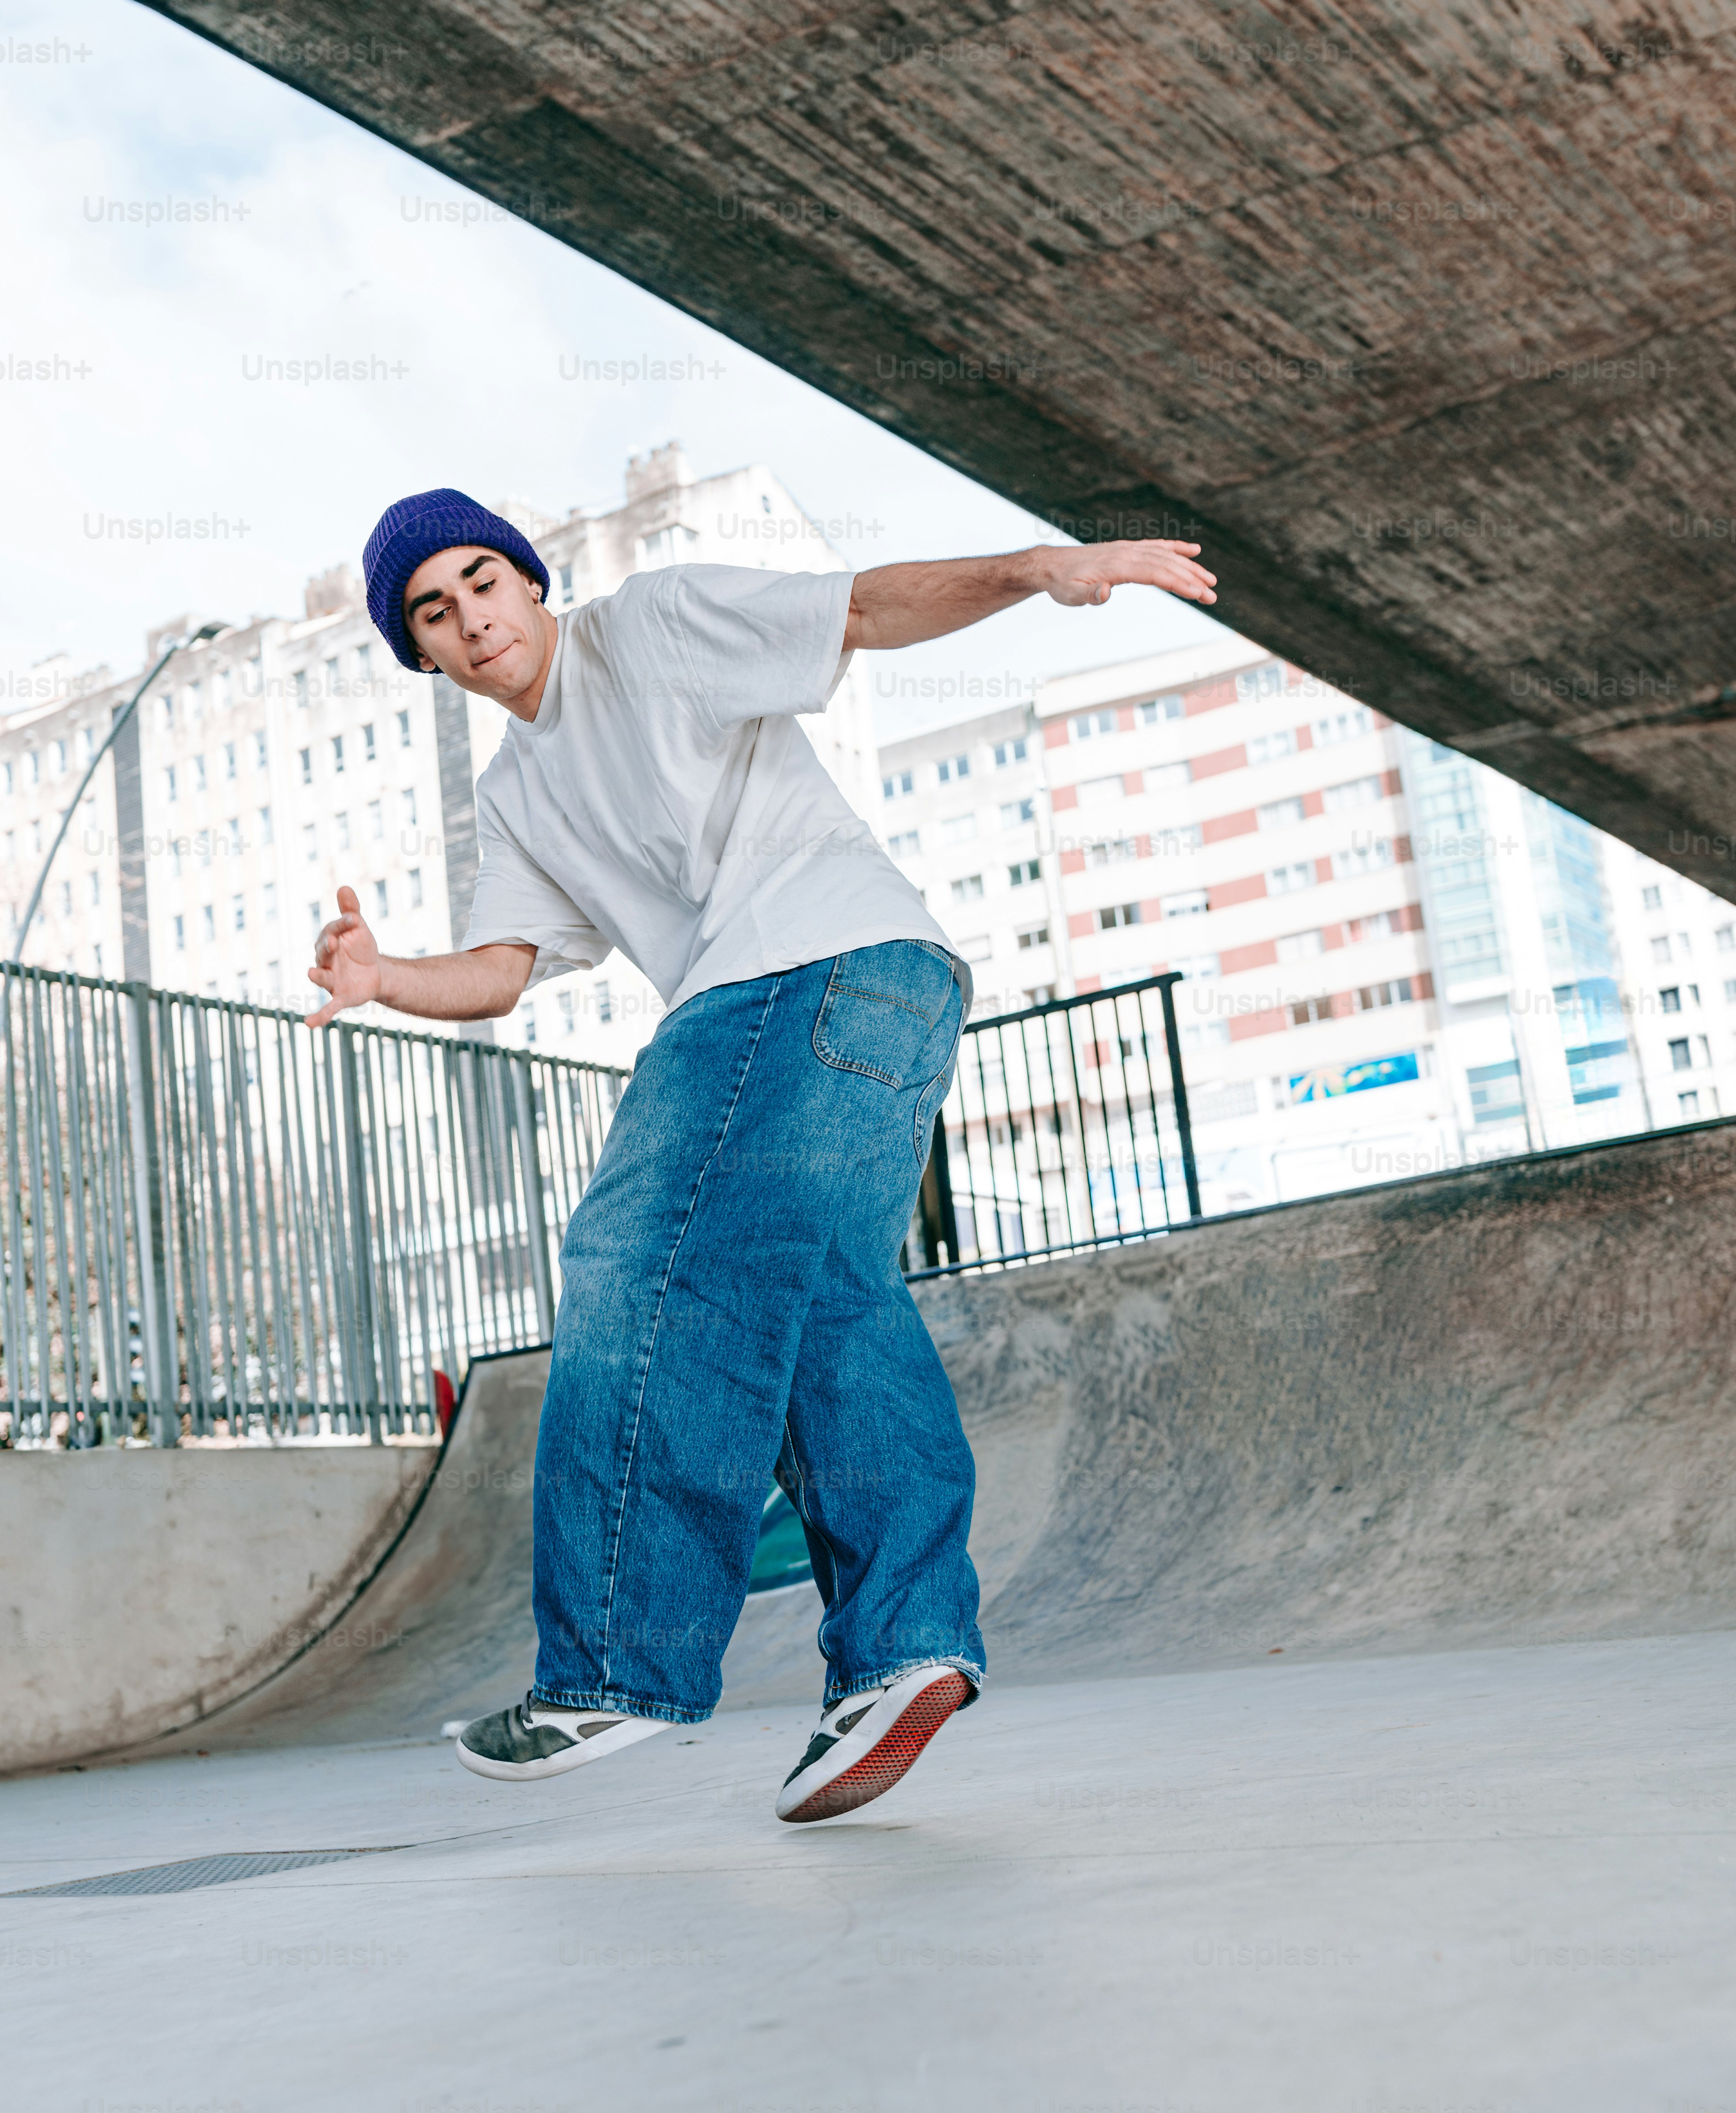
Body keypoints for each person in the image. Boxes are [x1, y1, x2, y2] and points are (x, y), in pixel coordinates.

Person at [311, 488, 1214, 1823]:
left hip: (805, 968)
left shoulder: (653, 630)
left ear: (527, 580)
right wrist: (386, 975)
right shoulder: (514, 795)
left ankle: (616, 1660)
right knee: (832, 1310)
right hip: (891, 990)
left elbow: (854, 609)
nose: (472, 617)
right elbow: (505, 971)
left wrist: (1036, 568)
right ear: (425, 655)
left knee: (635, 1251)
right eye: (434, 612)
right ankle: (904, 1649)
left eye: (482, 580)